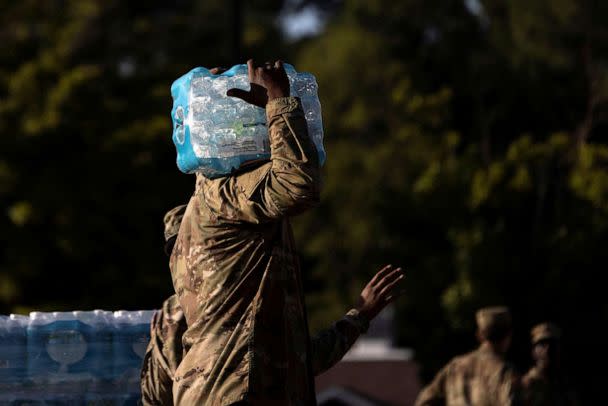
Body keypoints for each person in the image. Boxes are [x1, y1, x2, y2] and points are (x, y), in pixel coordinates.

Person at [169, 59, 405, 405]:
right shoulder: (222, 195)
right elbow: (298, 183)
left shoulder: (239, 220)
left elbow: (292, 361)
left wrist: (359, 317)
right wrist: (279, 100)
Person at [141, 205, 405, 405]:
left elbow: (154, 396)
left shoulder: (171, 317)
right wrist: (358, 317)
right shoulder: (253, 292)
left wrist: (358, 317)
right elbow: (301, 362)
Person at [414, 306, 522, 406]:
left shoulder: (455, 367)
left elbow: (424, 401)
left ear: (479, 335)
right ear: (509, 336)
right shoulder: (505, 372)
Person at [522, 322, 578, 406]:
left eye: (552, 344)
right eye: (542, 344)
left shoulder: (565, 385)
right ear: (533, 351)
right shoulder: (527, 385)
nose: (548, 349)